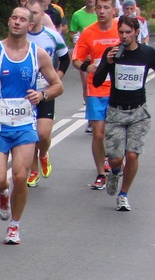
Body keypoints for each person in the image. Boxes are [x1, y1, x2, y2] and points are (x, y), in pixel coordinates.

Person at [0, 5, 64, 245]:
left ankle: (14, 226)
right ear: (9, 22)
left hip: (24, 125)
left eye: (22, 19)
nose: (16, 22)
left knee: (21, 176)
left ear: (30, 26)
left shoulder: (39, 54)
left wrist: (42, 96)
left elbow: (57, 85)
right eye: (13, 17)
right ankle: (2, 193)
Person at [93, 13, 155, 210]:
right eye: (121, 32)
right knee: (115, 158)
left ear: (136, 33)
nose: (124, 36)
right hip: (116, 111)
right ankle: (115, 171)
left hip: (138, 111)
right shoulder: (112, 53)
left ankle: (123, 194)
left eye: (128, 32)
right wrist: (108, 64)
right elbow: (96, 81)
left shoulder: (147, 53)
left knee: (133, 155)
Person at [74, 0, 123, 188]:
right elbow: (76, 60)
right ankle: (101, 173)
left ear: (114, 10)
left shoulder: (122, 29)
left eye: (106, 8)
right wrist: (89, 67)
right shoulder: (88, 32)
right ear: (95, 10)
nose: (102, 11)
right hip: (96, 89)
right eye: (99, 8)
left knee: (116, 132)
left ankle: (116, 160)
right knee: (98, 133)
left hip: (119, 90)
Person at [27, 0, 72, 186]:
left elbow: (65, 59)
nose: (31, 17)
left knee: (43, 134)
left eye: (35, 13)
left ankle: (43, 153)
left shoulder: (52, 36)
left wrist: (56, 79)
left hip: (45, 91)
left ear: (42, 14)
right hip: (24, 94)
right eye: (28, 13)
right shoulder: (19, 37)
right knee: (29, 135)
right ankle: (33, 170)